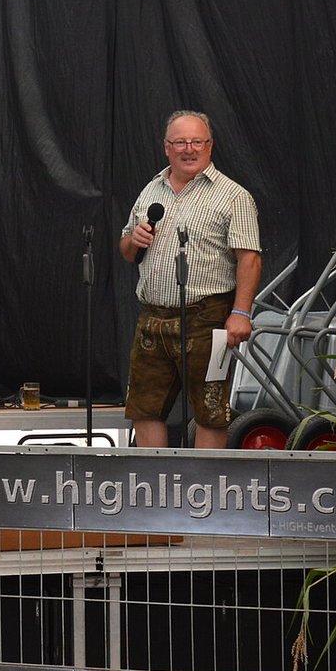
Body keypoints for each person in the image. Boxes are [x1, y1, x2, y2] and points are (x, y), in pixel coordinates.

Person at [119, 110, 261, 449]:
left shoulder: (233, 196)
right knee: (144, 408)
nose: (189, 149)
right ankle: (152, 478)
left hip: (207, 318)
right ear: (166, 147)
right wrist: (133, 240)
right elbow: (126, 249)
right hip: (153, 319)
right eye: (180, 142)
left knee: (210, 411)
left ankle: (205, 481)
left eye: (197, 141)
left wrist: (241, 313)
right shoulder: (151, 189)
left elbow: (250, 258)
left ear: (210, 146)